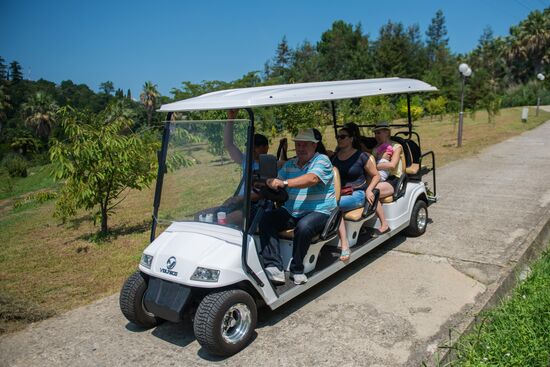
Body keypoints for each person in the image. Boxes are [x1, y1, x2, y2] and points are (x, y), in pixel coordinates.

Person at [260, 128, 336, 285]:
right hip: (292, 210)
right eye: (298, 145)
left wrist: (285, 183)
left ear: (314, 146)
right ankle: (274, 266)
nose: (300, 149)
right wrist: (270, 182)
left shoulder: (321, 160)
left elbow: (312, 179)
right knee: (266, 219)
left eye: (305, 145)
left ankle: (297, 269)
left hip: (319, 211)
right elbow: (277, 179)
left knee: (304, 226)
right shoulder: (290, 164)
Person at [331, 126, 380, 261]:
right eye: (338, 137)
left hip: (358, 194)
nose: (339, 139)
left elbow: (376, 176)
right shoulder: (335, 158)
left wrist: (369, 189)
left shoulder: (361, 156)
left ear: (351, 139)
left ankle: (345, 244)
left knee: (335, 205)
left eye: (343, 136)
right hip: (340, 193)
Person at [371, 121, 404, 237]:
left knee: (373, 192)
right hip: (380, 177)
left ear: (387, 132)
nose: (377, 136)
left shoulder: (396, 146)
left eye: (379, 133)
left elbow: (392, 165)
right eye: (375, 133)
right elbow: (370, 165)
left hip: (394, 178)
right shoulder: (375, 149)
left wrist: (377, 164)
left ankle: (384, 225)